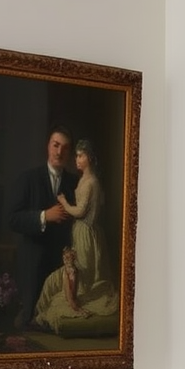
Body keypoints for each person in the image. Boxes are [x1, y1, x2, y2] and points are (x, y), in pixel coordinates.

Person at [34, 139, 118, 333]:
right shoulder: (85, 179)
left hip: (86, 234)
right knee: (73, 274)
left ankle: (69, 304)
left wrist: (63, 201)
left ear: (89, 158)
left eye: (81, 156)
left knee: (80, 277)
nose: (77, 159)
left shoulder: (91, 182)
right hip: (83, 233)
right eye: (77, 155)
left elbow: (80, 211)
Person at [8, 125, 78, 328]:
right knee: (30, 321)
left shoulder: (76, 183)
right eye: (56, 145)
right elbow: (13, 219)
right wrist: (44, 216)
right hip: (33, 265)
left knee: (58, 321)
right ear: (48, 146)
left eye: (65, 148)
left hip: (62, 265)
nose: (59, 152)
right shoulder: (29, 178)